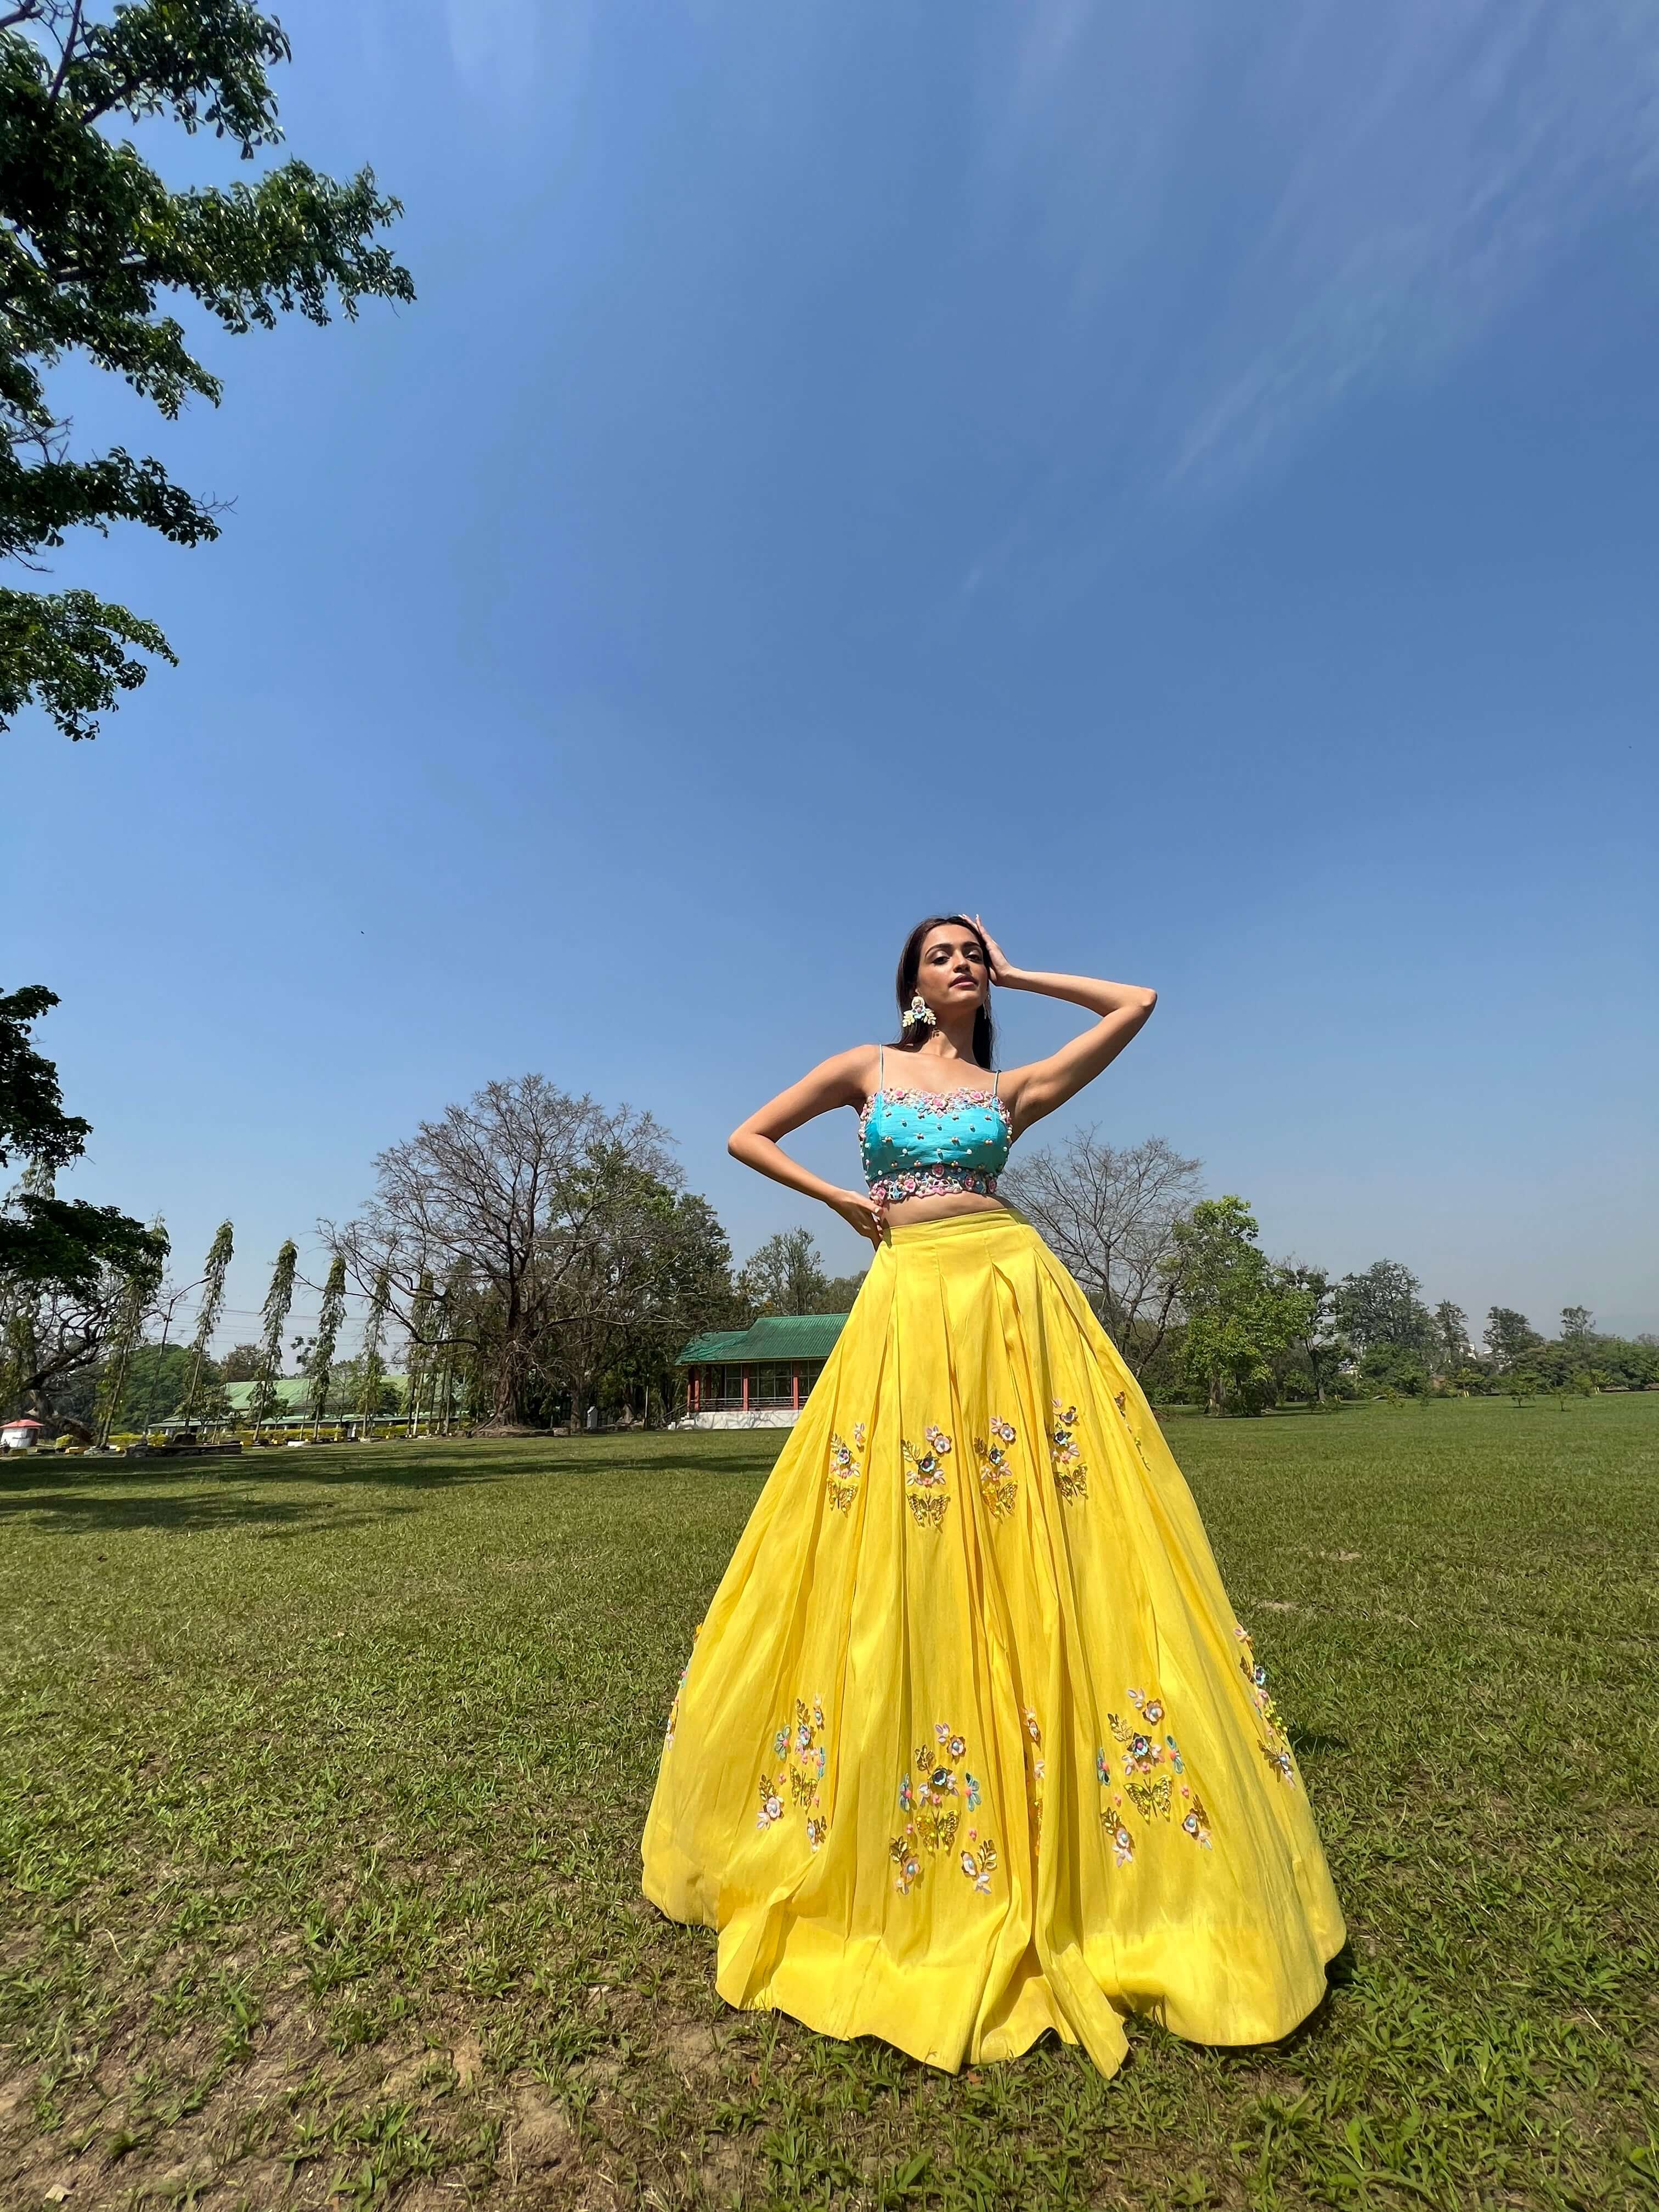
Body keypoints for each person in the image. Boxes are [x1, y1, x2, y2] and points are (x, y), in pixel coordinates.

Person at [641, 916, 1345, 2078]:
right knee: (899, 1532)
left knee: (1048, 1530)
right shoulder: (865, 1068)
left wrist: (1023, 973)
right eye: (945, 953)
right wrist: (837, 1200)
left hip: (1013, 1298)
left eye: (974, 953)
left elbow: (1136, 1004)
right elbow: (746, 1135)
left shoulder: (1010, 1092)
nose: (963, 962)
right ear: (912, 980)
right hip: (910, 1303)